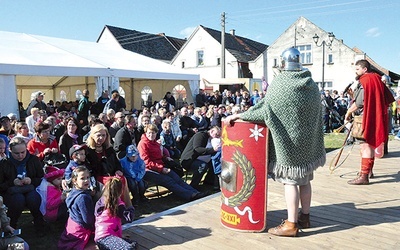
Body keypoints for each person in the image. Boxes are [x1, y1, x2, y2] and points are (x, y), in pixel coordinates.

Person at [225, 47, 326, 237]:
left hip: (288, 144)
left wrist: (240, 115)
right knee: (304, 180)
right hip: (307, 143)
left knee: (290, 182)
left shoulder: (280, 82)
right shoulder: (311, 84)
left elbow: (265, 111)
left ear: (283, 63)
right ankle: (305, 216)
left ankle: (291, 224)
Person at [344, 60, 395, 185]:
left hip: (367, 118)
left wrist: (348, 113)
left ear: (364, 69)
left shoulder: (365, 80)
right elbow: (381, 98)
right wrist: (353, 96)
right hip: (374, 116)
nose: (355, 72)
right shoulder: (376, 79)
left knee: (365, 146)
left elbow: (360, 103)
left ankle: (364, 176)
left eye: (357, 69)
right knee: (370, 145)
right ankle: (368, 171)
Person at [137, 124, 208, 201]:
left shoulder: (156, 143)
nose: (151, 135)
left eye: (153, 133)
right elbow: (146, 162)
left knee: (177, 178)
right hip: (148, 170)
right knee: (168, 181)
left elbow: (159, 156)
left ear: (156, 133)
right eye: (149, 133)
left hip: (160, 167)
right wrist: (161, 169)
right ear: (146, 133)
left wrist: (165, 158)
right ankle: (190, 195)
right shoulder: (143, 144)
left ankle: (195, 192)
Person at [0, 137, 46, 232]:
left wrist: (31, 180)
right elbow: (1, 185)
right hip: (12, 192)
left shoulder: (33, 160)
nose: (20, 156)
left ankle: (39, 223)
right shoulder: (4, 163)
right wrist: (12, 182)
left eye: (23, 152)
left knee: (33, 198)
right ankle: (11, 225)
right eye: (16, 153)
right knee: (18, 200)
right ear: (10, 150)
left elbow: (41, 178)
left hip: (31, 189)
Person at [85, 124, 132, 207]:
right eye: (98, 135)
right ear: (93, 135)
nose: (101, 138)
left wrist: (118, 170)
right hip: (97, 177)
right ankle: (114, 206)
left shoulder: (109, 149)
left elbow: (117, 163)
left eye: (103, 135)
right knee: (112, 183)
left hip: (111, 174)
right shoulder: (87, 151)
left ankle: (126, 206)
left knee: (122, 179)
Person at [94, 177, 137, 250]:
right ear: (120, 192)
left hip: (101, 236)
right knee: (129, 248)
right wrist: (130, 206)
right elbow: (129, 218)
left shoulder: (101, 201)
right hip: (106, 237)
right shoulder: (117, 205)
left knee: (133, 244)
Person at [58, 166, 95, 250]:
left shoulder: (73, 192)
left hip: (72, 225)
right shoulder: (83, 197)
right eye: (82, 178)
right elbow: (88, 220)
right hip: (80, 229)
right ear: (75, 181)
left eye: (88, 177)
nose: (86, 180)